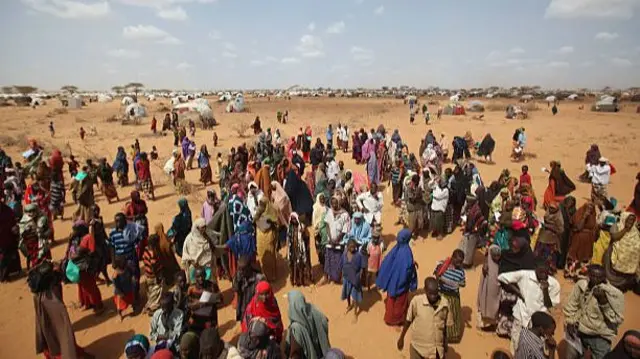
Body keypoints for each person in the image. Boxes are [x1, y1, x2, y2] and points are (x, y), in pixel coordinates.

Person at [32, 261, 92, 359]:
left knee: (50, 335)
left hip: (49, 333)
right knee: (62, 335)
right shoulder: (52, 295)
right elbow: (64, 328)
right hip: (61, 349)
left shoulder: (39, 293)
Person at [564, 264, 625, 359]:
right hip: (578, 330)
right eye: (592, 276)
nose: (595, 279)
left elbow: (617, 320)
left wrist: (603, 302)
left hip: (599, 336)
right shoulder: (581, 285)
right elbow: (571, 305)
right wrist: (570, 321)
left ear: (604, 277)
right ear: (588, 274)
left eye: (599, 277)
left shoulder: (614, 294)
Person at [498, 263, 561, 354]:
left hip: (538, 325)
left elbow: (549, 306)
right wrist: (518, 293)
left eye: (545, 271)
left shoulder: (554, 284)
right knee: (516, 346)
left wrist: (545, 290)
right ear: (535, 268)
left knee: (535, 349)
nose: (543, 274)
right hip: (521, 317)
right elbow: (502, 277)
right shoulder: (525, 275)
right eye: (540, 271)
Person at [397, 277, 452, 359]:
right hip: (418, 347)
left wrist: (445, 341)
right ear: (425, 290)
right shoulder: (416, 302)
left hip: (436, 349)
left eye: (436, 293)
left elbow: (445, 326)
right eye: (431, 293)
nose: (433, 296)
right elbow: (408, 320)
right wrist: (401, 337)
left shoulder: (445, 304)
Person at [376, 229, 418, 326]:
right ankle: (396, 321)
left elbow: (387, 263)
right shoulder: (407, 253)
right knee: (399, 304)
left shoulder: (396, 249)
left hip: (392, 282)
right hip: (401, 284)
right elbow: (407, 270)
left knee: (391, 301)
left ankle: (389, 318)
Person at [285, 290, 331, 359]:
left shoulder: (296, 329)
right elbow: (324, 320)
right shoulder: (312, 310)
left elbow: (295, 353)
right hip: (320, 351)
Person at [434, 250, 466, 344]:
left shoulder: (461, 272)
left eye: (461, 262)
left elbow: (463, 283)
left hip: (453, 296)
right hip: (442, 294)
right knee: (440, 315)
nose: (459, 264)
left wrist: (457, 283)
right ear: (452, 258)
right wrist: (439, 278)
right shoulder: (443, 265)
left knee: (453, 316)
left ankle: (451, 336)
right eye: (457, 261)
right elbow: (436, 274)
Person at [604, 212, 640, 291]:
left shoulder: (635, 230)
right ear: (624, 218)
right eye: (629, 219)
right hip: (615, 253)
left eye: (633, 220)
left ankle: (623, 284)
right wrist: (625, 229)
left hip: (629, 259)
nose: (631, 222)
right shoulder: (616, 226)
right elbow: (614, 237)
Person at [565, 202, 598, 278]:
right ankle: (570, 273)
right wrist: (584, 217)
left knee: (584, 258)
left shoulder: (593, 216)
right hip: (578, 239)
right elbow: (578, 227)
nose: (589, 210)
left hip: (588, 241)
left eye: (591, 208)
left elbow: (593, 228)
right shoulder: (579, 214)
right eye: (588, 208)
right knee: (574, 256)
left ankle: (580, 274)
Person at [323, 196, 350, 283]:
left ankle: (337, 278)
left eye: (336, 203)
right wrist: (330, 238)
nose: (334, 205)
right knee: (328, 259)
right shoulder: (329, 212)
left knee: (338, 260)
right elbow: (327, 224)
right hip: (330, 241)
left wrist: (337, 239)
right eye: (332, 203)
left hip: (339, 242)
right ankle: (327, 278)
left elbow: (345, 229)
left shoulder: (344, 214)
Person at [187, 266, 222, 331]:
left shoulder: (212, 286)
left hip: (210, 318)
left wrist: (209, 300)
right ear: (194, 277)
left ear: (205, 275)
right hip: (197, 318)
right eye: (198, 277)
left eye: (202, 276)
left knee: (211, 335)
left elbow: (220, 299)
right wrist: (196, 304)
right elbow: (188, 304)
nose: (200, 279)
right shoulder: (191, 289)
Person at [19, 204, 52, 269]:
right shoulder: (23, 221)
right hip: (31, 245)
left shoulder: (43, 218)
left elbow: (49, 230)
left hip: (43, 243)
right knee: (36, 262)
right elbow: (21, 236)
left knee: (46, 260)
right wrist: (26, 231)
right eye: (28, 211)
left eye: (33, 211)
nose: (31, 213)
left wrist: (44, 234)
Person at [477, 245, 502, 329]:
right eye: (494, 255)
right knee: (486, 306)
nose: (497, 258)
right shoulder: (486, 266)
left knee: (494, 307)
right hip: (487, 291)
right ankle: (485, 324)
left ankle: (493, 323)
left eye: (498, 255)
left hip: (496, 291)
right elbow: (482, 282)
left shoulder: (500, 264)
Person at [254, 195, 279, 281]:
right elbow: (254, 220)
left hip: (269, 237)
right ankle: (265, 275)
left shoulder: (272, 211)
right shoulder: (259, 212)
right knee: (262, 255)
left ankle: (272, 275)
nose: (261, 206)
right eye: (260, 204)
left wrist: (269, 222)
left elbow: (276, 223)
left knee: (270, 256)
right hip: (260, 238)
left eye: (263, 205)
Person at [182, 218, 213, 283]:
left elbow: (211, 249)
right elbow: (185, 254)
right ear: (197, 228)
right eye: (202, 227)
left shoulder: (207, 237)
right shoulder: (189, 239)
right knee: (196, 286)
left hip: (207, 267)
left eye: (205, 227)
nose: (204, 229)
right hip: (194, 269)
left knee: (207, 284)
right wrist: (193, 262)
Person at [341, 239, 365, 319]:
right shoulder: (344, 254)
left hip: (355, 278)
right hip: (346, 277)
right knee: (347, 293)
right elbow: (342, 265)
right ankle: (348, 305)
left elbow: (362, 267)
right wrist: (342, 275)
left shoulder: (358, 255)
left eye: (353, 247)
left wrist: (360, 276)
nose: (352, 249)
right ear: (347, 247)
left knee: (355, 296)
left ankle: (355, 313)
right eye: (350, 247)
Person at [287, 212, 312, 286]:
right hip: (293, 250)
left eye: (295, 219)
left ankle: (302, 281)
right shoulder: (290, 228)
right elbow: (288, 240)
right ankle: (295, 281)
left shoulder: (302, 227)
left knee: (301, 265)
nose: (294, 220)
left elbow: (307, 237)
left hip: (301, 250)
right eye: (292, 219)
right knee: (293, 266)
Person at [143, 234, 165, 315]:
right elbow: (153, 266)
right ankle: (151, 309)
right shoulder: (153, 253)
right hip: (154, 276)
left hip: (147, 275)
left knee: (150, 292)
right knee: (156, 293)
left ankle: (148, 306)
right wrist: (158, 277)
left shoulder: (146, 250)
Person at [0, 201, 21, 282]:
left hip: (7, 237)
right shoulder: (7, 209)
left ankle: (5, 275)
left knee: (7, 256)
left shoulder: (7, 210)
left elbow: (12, 220)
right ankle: (3, 276)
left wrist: (15, 230)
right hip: (4, 238)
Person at [113, 256, 137, 320]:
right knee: (120, 305)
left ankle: (134, 310)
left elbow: (132, 274)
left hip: (129, 289)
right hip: (121, 292)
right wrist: (120, 293)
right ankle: (119, 314)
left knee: (132, 300)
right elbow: (116, 286)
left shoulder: (128, 269)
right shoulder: (115, 275)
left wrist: (133, 278)